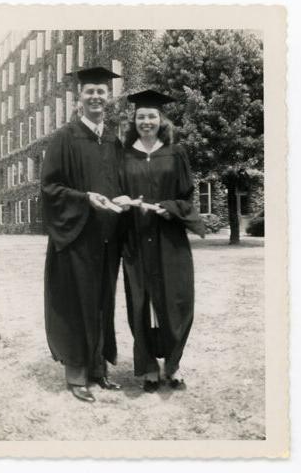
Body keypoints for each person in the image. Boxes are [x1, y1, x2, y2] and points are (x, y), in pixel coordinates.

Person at [41, 67, 126, 403]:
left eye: (101, 92)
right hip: (75, 238)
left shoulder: (114, 141)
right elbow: (50, 187)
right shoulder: (65, 137)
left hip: (107, 239)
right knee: (77, 303)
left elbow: (120, 183)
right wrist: (85, 198)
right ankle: (76, 375)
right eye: (89, 92)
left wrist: (123, 198)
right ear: (79, 97)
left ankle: (98, 370)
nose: (95, 97)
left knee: (102, 302)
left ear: (109, 97)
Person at [114, 90, 205, 393]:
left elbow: (187, 197)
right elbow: (117, 192)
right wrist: (124, 202)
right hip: (136, 237)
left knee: (177, 301)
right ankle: (150, 368)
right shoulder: (125, 155)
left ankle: (174, 365)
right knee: (140, 301)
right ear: (134, 120)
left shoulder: (175, 153)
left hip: (169, 238)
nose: (146, 121)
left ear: (161, 119)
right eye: (141, 116)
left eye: (152, 116)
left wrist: (167, 208)